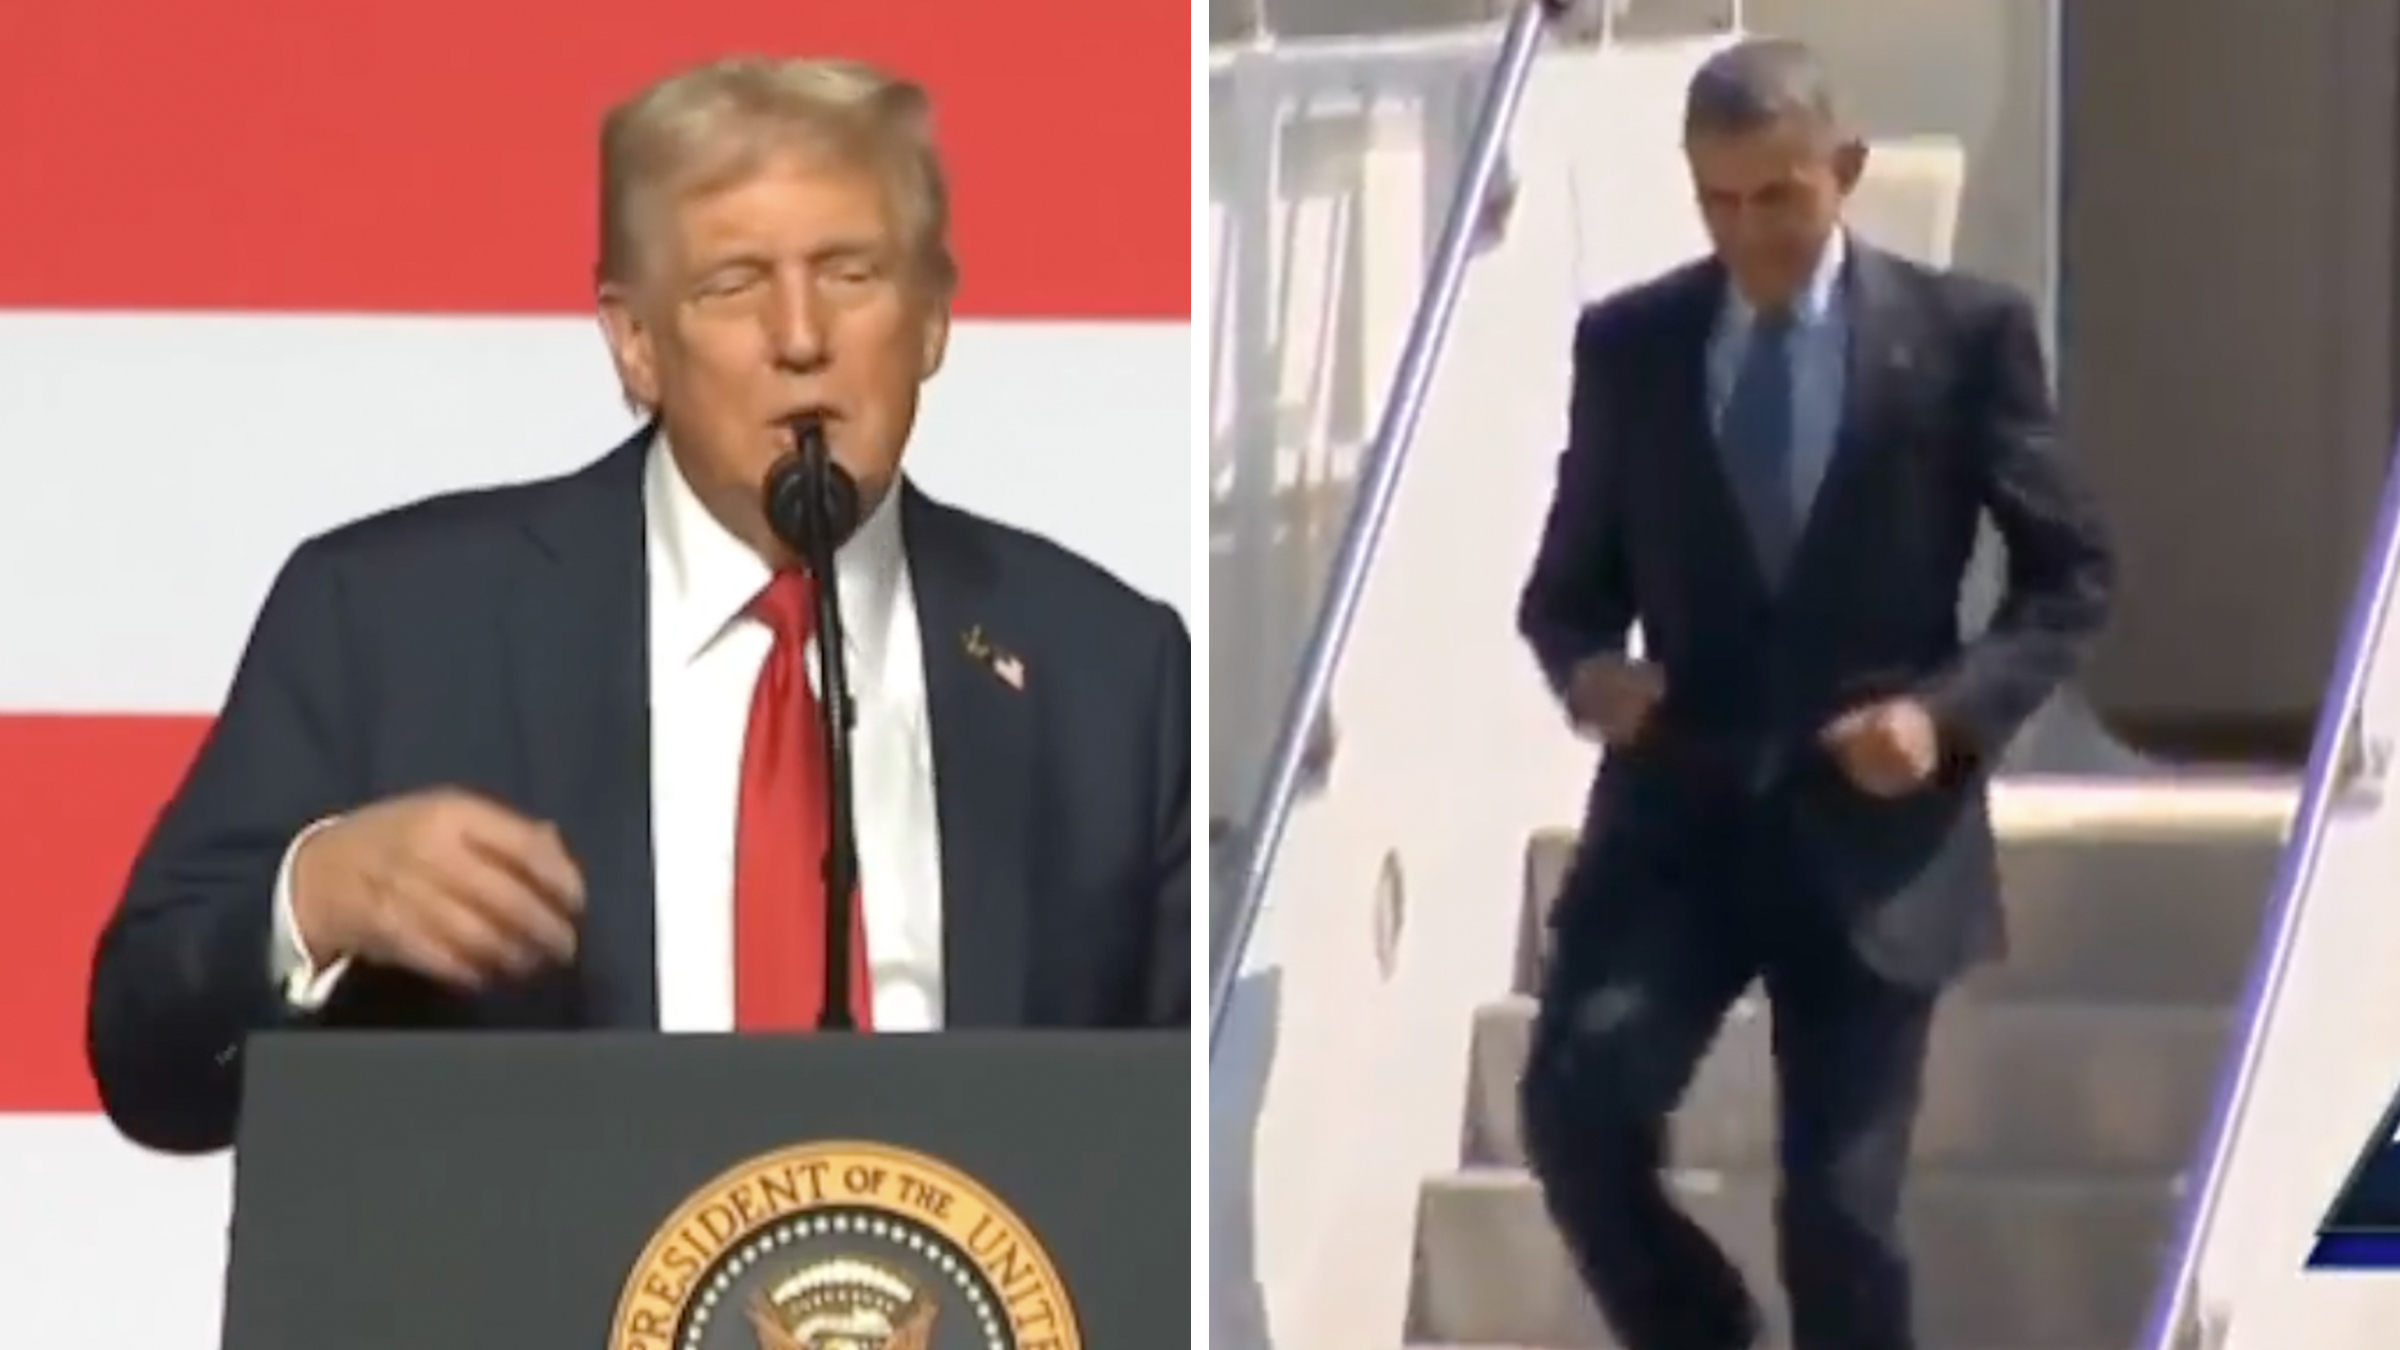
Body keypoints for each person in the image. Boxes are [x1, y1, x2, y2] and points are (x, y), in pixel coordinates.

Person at [85, 56, 1190, 1156]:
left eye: (853, 274)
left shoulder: (1108, 672)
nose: (801, 334)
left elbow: (1182, 1141)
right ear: (636, 344)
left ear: (935, 318)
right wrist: (317, 898)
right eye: (733, 284)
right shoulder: (390, 626)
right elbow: (150, 1065)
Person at [1513, 38, 2112, 1350]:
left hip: (1874, 838)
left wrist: (1946, 715)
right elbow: (1562, 591)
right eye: (1718, 202)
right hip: (1681, 815)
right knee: (1574, 1108)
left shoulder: (1962, 339)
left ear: (1843, 172)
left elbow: (2070, 576)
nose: (1750, 234)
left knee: (1840, 1216)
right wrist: (1589, 672)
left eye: (1777, 197)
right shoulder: (1634, 347)